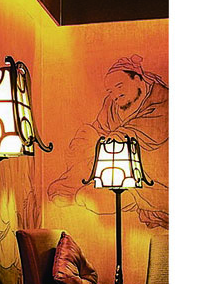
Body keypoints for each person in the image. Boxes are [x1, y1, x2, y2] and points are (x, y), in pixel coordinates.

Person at [47, 55, 168, 228]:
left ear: (137, 79)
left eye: (119, 86)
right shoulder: (112, 104)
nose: (115, 95)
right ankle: (73, 183)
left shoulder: (163, 98)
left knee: (92, 195)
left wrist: (118, 137)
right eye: (110, 91)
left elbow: (152, 132)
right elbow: (100, 129)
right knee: (87, 134)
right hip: (114, 166)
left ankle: (127, 197)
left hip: (151, 179)